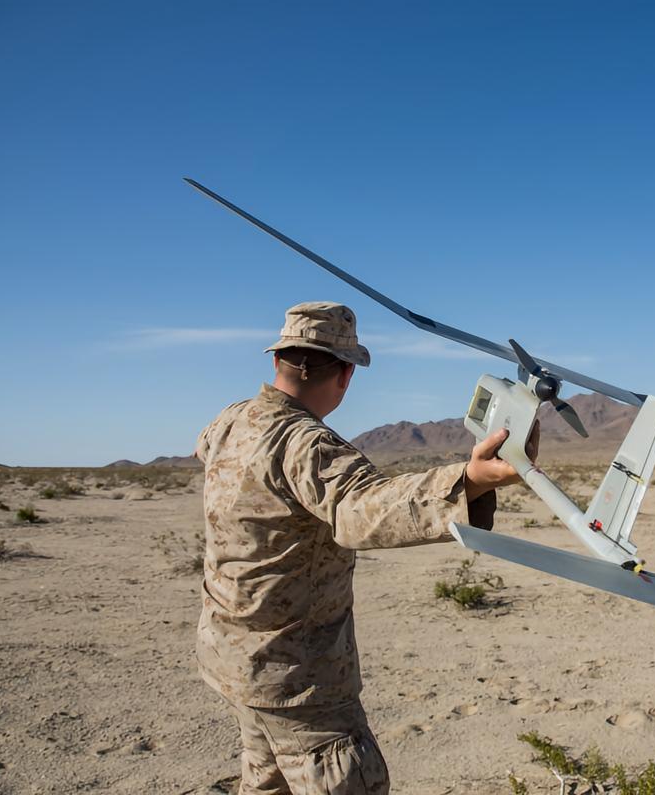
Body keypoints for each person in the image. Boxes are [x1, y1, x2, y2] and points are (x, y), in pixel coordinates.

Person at [194, 301, 538, 794]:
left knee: (267, 779)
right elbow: (361, 510)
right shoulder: (306, 444)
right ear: (346, 375)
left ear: (278, 361)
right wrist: (471, 479)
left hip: (230, 655)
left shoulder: (231, 419)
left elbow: (202, 447)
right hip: (297, 678)